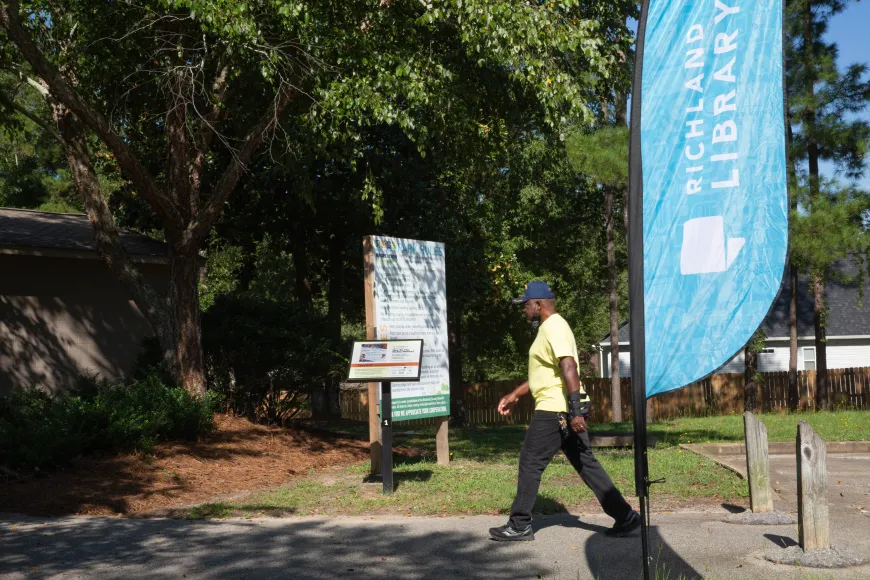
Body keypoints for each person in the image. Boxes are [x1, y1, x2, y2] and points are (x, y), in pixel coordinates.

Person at [489, 280, 641, 541]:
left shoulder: (555, 327)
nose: (524, 310)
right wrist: (516, 394)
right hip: (562, 408)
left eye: (525, 305)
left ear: (538, 304)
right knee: (586, 464)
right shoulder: (549, 328)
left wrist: (575, 411)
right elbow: (548, 373)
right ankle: (625, 516)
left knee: (530, 462)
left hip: (555, 410)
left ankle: (520, 525)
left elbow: (569, 366)